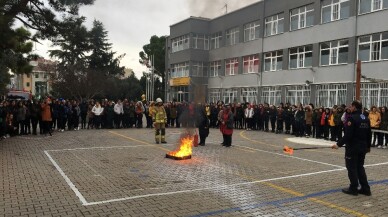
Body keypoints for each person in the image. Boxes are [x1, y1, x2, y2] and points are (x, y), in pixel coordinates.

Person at [331, 100, 372, 196]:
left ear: (354, 107)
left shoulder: (352, 119)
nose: (349, 108)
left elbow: (348, 135)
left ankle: (353, 188)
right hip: (363, 148)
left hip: (353, 148)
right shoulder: (365, 118)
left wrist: (338, 144)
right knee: (360, 167)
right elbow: (369, 134)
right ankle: (365, 189)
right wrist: (368, 146)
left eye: (351, 106)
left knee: (351, 168)